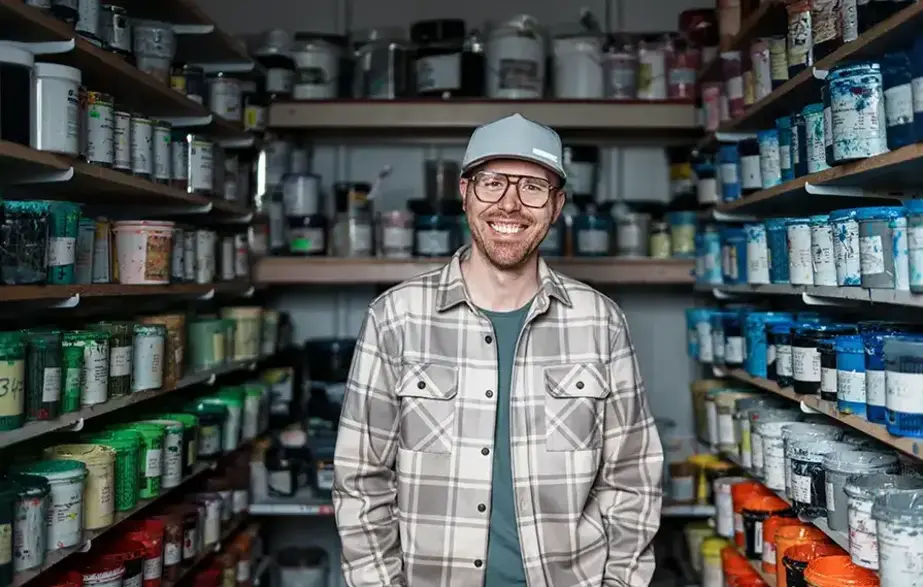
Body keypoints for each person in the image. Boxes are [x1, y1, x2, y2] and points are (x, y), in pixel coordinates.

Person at [333, 113, 663, 587]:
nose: (510, 205)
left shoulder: (600, 321)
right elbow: (360, 479)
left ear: (556, 205)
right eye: (492, 183)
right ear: (465, 193)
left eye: (533, 187)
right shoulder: (396, 318)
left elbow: (633, 477)